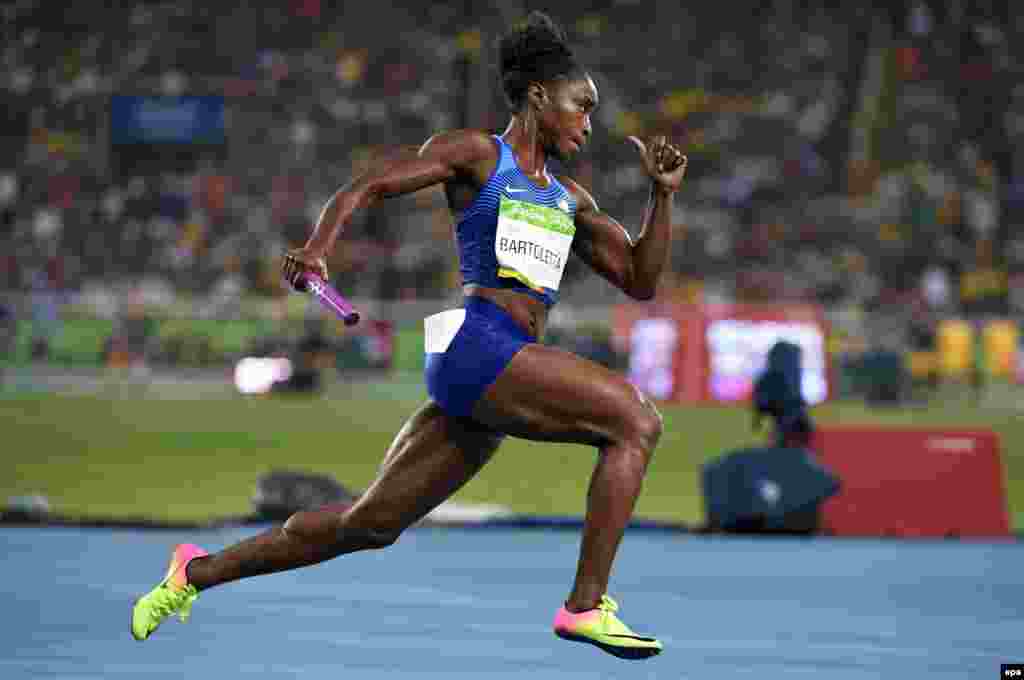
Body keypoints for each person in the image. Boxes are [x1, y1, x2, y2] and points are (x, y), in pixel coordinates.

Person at [131, 12, 687, 660]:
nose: (590, 122)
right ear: (539, 95)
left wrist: (662, 197)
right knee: (635, 422)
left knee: (367, 524)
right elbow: (367, 185)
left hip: (490, 369)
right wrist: (317, 249)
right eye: (581, 104)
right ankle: (585, 606)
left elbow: (640, 280)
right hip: (480, 345)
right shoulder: (480, 155)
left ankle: (192, 573)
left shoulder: (572, 200)